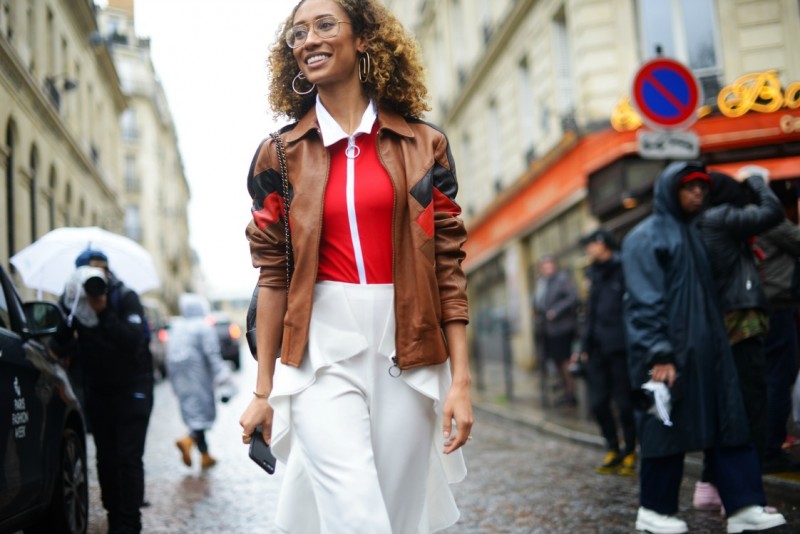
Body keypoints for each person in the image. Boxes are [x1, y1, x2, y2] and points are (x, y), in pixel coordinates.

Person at [238, 1, 473, 532]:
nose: (309, 40)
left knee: (395, 510)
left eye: (325, 25)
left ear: (364, 38)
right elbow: (272, 274)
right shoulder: (278, 155)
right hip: (320, 349)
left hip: (408, 343)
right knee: (357, 510)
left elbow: (447, 264)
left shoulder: (425, 144)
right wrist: (262, 390)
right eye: (298, 33)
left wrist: (460, 379)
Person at [622, 161, 786, 534]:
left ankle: (744, 505)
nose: (698, 192)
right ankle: (654, 509)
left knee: (730, 424)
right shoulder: (645, 237)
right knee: (665, 431)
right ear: (670, 190)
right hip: (671, 357)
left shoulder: (695, 233)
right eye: (689, 187)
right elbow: (643, 301)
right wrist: (659, 353)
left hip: (711, 351)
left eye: (702, 187)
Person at [693, 167, 783, 509]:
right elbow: (773, 212)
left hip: (721, 323)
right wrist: (758, 180)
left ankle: (710, 484)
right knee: (752, 406)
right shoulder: (721, 217)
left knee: (726, 407)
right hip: (741, 322)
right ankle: (748, 495)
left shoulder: (701, 221)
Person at [50, 248, 153, 534]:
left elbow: (133, 341)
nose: (99, 277)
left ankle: (129, 524)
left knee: (128, 458)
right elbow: (58, 348)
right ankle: (113, 518)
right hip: (99, 391)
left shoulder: (125, 297)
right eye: (91, 272)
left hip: (134, 388)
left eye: (103, 270)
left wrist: (105, 310)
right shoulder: (72, 303)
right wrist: (68, 321)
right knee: (105, 458)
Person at [575, 228, 636, 475]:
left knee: (624, 403)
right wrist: (583, 347)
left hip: (620, 347)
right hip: (597, 349)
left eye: (591, 244)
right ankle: (612, 447)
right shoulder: (593, 274)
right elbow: (589, 314)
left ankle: (630, 450)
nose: (588, 249)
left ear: (602, 244)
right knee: (598, 403)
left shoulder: (623, 268)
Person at [168, 293, 235, 470]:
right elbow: (212, 354)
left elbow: (169, 358)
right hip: (199, 377)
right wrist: (223, 376)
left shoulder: (177, 328)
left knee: (193, 414)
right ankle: (188, 440)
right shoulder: (203, 327)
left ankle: (205, 455)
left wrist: (173, 384)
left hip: (181, 379)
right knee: (202, 413)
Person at [759, 214, 800, 472]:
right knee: (778, 377)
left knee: (768, 377)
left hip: (760, 306)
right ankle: (770, 449)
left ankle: (766, 446)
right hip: (776, 305)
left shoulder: (741, 217)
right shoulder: (764, 217)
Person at [532, 255, 579, 407]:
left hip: (562, 328)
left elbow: (573, 298)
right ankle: (565, 392)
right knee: (556, 362)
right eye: (545, 267)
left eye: (550, 265)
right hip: (548, 330)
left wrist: (556, 311)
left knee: (565, 361)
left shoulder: (562, 280)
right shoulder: (542, 283)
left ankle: (571, 394)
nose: (548, 269)